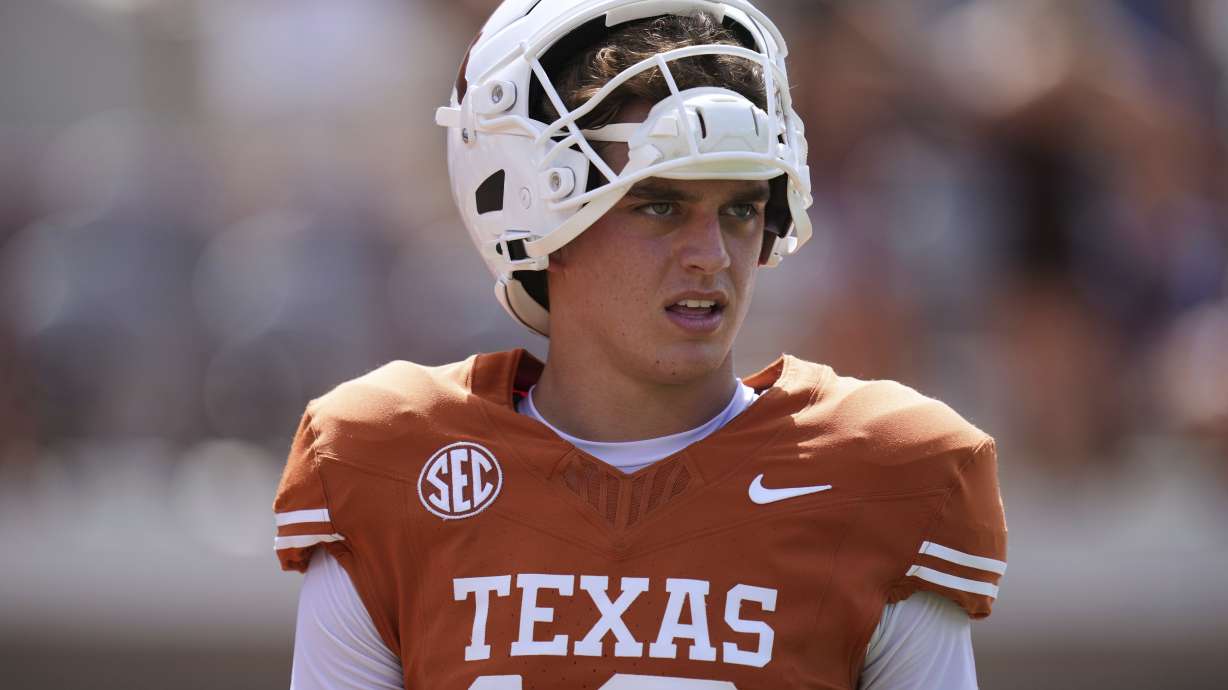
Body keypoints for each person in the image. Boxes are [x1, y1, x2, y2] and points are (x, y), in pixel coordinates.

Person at [272, 1, 1008, 688]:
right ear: (537, 211)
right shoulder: (390, 465)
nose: (712, 254)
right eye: (661, 205)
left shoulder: (878, 476)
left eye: (742, 208)